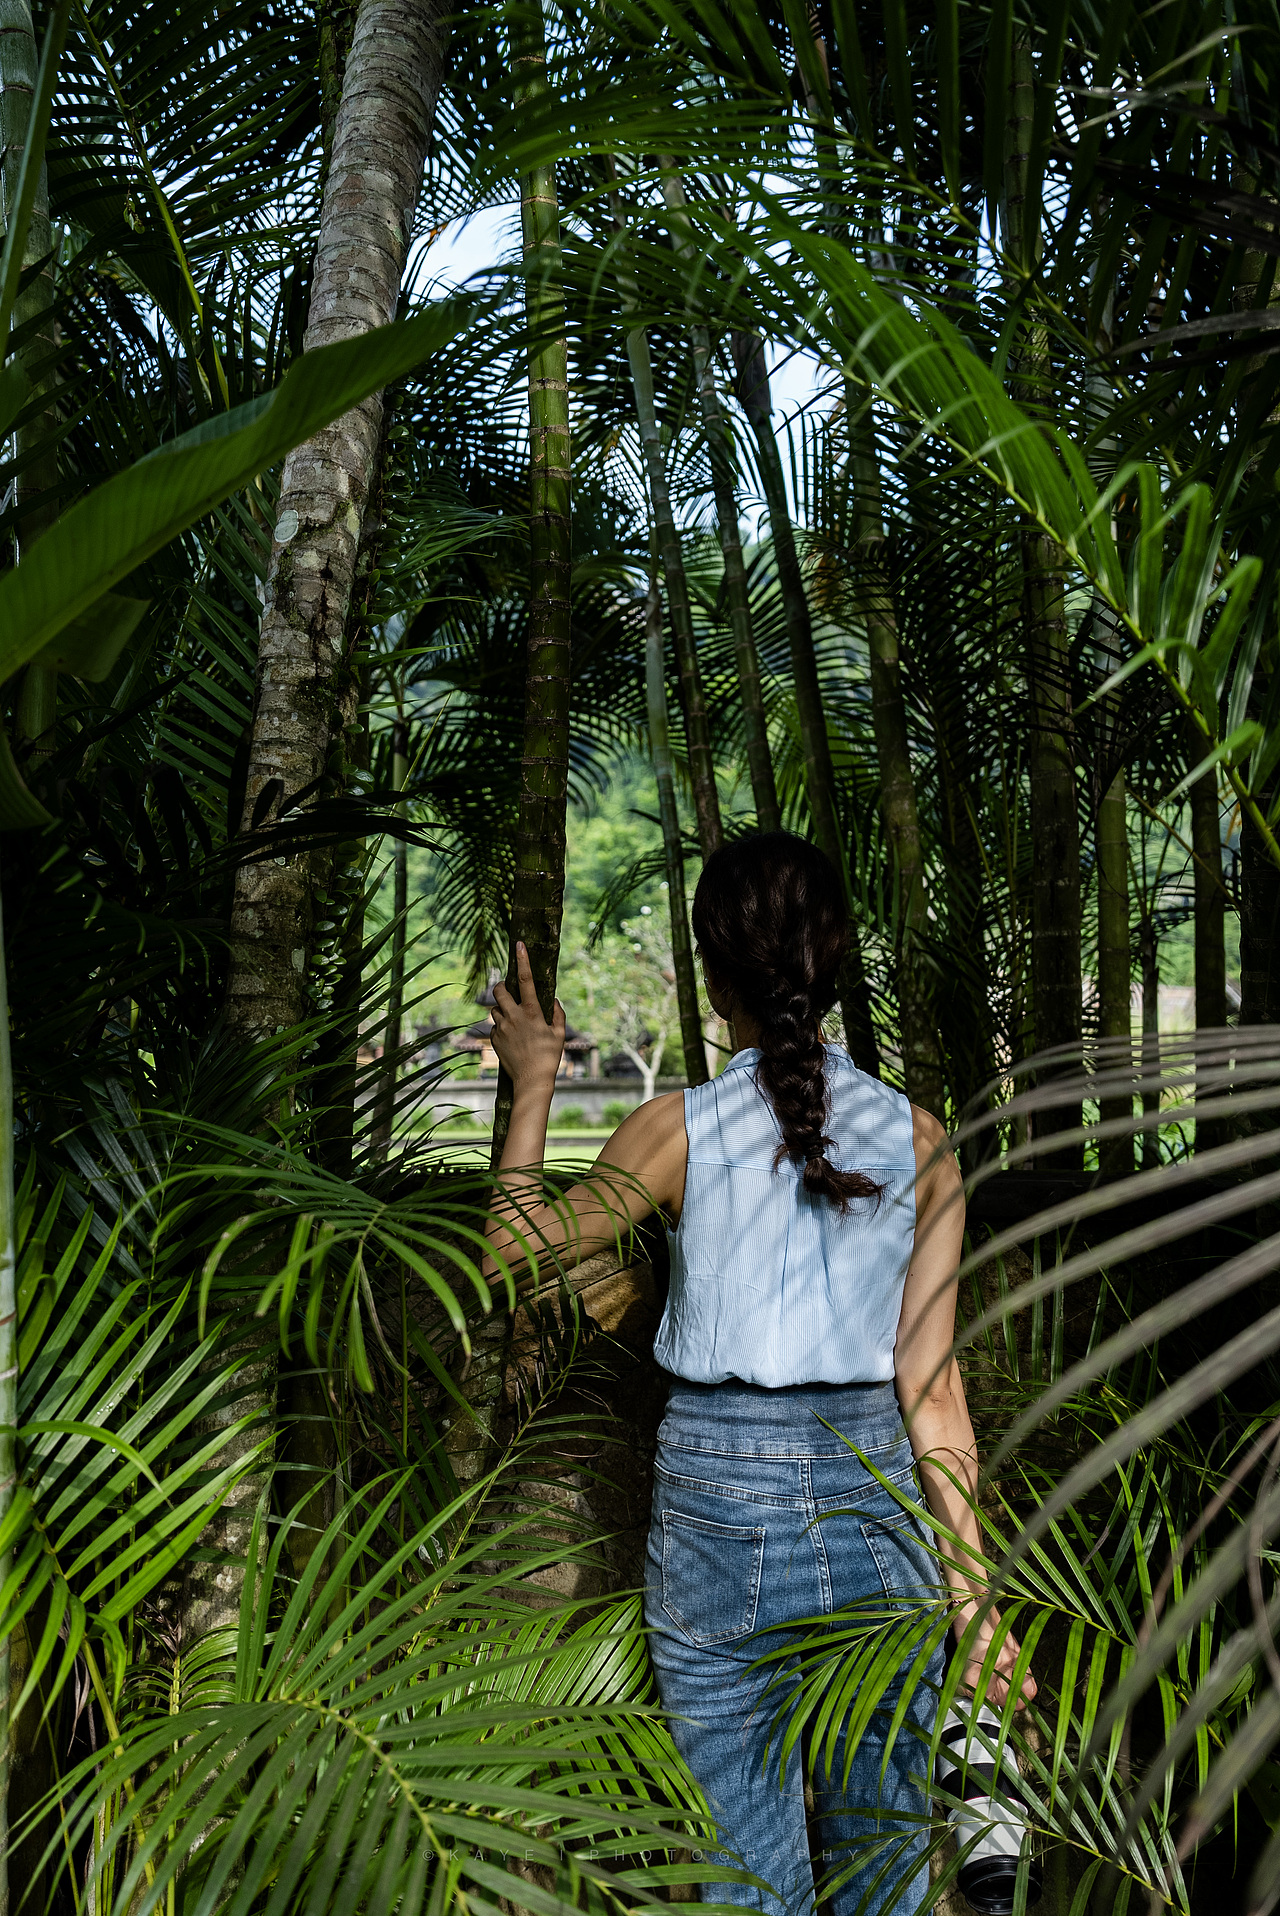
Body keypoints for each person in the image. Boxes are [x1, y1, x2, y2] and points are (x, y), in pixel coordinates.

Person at [484, 832, 1036, 1916]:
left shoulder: (670, 1129)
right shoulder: (921, 1138)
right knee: (883, 1863)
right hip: (872, 1499)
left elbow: (512, 1251)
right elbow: (932, 1391)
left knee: (742, 1878)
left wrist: (534, 1079)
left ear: (711, 972)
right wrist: (975, 1602)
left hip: (711, 1500)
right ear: (833, 964)